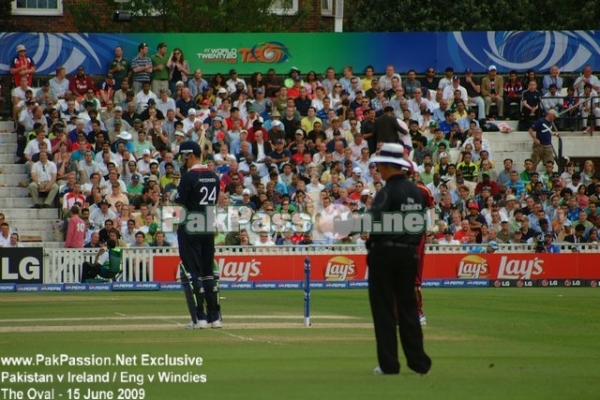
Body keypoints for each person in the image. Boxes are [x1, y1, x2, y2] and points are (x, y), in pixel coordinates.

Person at [366, 142, 431, 376]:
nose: (378, 170)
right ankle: (419, 364)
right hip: (409, 254)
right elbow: (420, 225)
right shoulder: (416, 191)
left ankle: (389, 365)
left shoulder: (387, 192)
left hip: (385, 254)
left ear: (387, 166)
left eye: (380, 165)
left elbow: (372, 223)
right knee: (408, 309)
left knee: (384, 310)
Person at [174, 140, 222, 329]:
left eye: (184, 157)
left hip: (191, 226)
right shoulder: (214, 176)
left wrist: (174, 193)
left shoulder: (188, 177)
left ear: (190, 156)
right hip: (208, 225)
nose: (182, 161)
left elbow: (180, 202)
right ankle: (215, 317)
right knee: (208, 273)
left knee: (194, 273)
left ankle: (199, 318)